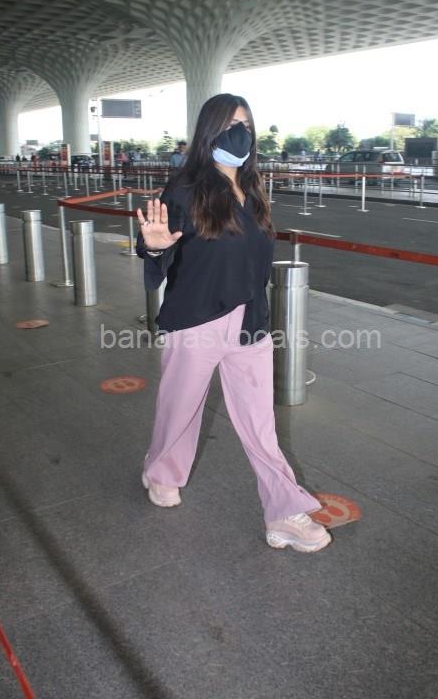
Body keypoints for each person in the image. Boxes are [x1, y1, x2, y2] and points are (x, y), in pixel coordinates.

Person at [136, 93, 332, 553]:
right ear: (209, 131)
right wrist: (155, 246)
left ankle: (284, 512)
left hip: (251, 322)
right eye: (229, 125)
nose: (239, 133)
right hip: (197, 320)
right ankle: (161, 472)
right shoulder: (184, 189)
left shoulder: (253, 191)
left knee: (261, 424)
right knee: (180, 409)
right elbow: (157, 245)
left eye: (245, 124)